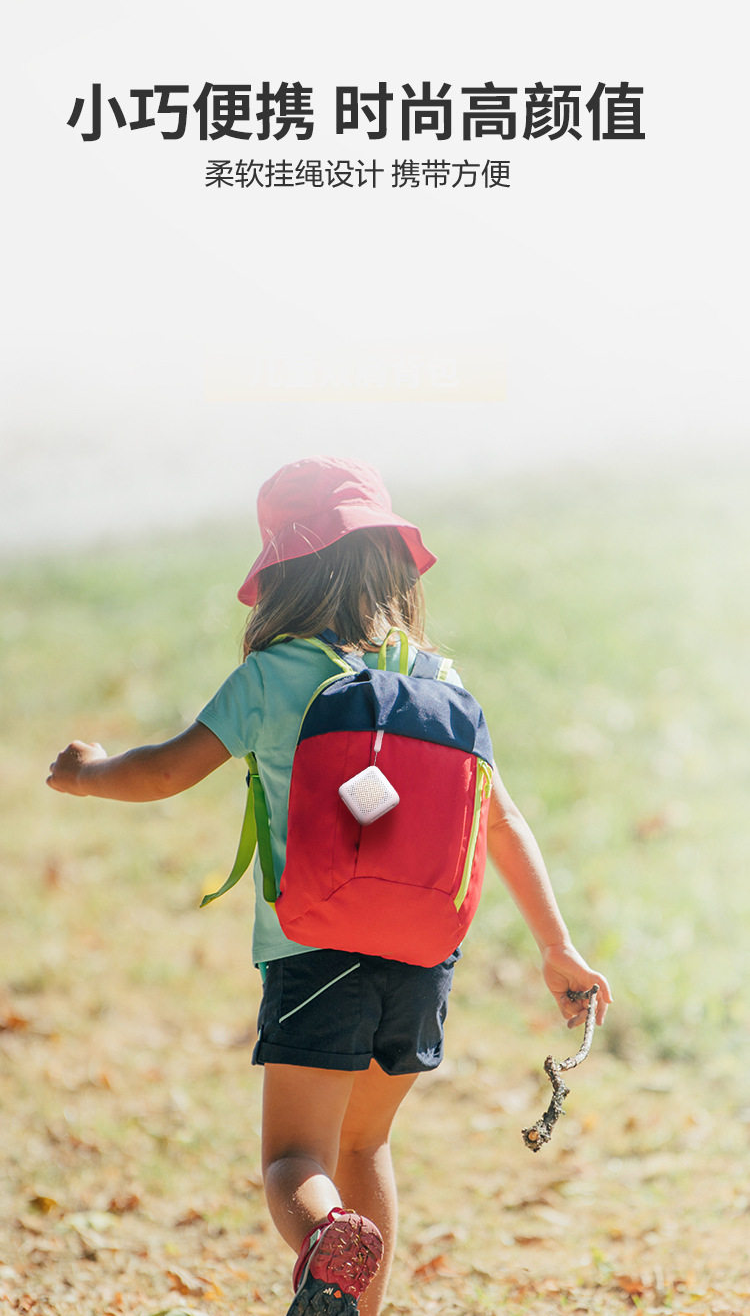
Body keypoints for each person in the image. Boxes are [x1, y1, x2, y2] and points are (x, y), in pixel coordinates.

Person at [47, 456, 612, 1316]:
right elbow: (501, 822)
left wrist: (89, 773)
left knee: (294, 1158)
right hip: (421, 961)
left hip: (314, 954)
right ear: (392, 562)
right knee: (366, 1142)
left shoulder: (272, 676)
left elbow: (163, 772)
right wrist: (557, 947)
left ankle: (327, 1234)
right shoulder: (441, 681)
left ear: (281, 573)